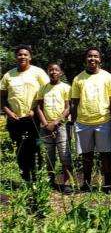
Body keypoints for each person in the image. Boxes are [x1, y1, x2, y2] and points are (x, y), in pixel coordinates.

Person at [1, 44, 49, 181]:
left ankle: (38, 178)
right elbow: (1, 97)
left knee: (37, 147)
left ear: (30, 57)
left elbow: (48, 92)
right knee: (20, 149)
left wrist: (36, 110)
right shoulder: (8, 75)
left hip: (34, 119)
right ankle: (25, 177)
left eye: (25, 54)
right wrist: (8, 113)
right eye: (19, 54)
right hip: (15, 120)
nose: (22, 56)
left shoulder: (38, 72)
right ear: (16, 57)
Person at [71, 47, 111, 192]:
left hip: (103, 121)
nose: (92, 59)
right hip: (83, 122)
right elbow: (74, 102)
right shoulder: (78, 79)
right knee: (86, 155)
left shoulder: (108, 77)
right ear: (86, 59)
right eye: (90, 56)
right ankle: (86, 183)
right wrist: (73, 122)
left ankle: (107, 185)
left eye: (95, 56)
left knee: (105, 154)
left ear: (100, 59)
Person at [36, 62, 73, 193]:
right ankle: (50, 181)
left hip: (62, 126)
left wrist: (56, 123)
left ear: (61, 72)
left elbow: (68, 108)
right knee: (48, 155)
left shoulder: (66, 88)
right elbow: (39, 108)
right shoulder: (42, 88)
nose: (53, 72)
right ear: (48, 72)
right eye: (50, 70)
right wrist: (46, 125)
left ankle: (67, 183)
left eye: (56, 70)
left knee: (64, 154)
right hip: (45, 127)